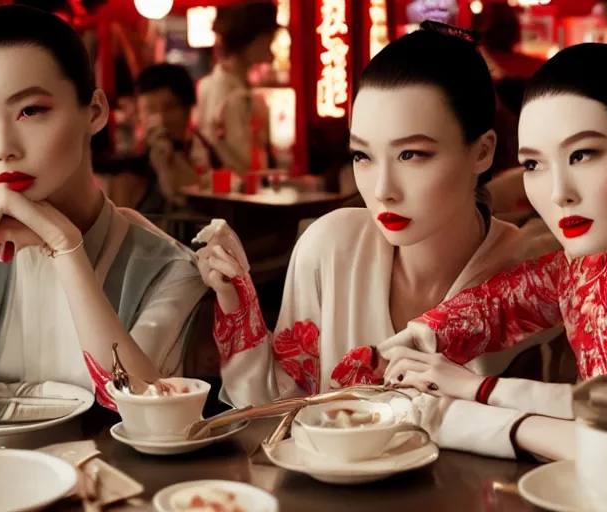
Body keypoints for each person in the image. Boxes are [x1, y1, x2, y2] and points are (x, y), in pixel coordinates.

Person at [195, 22, 564, 455]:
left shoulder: (532, 276)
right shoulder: (330, 247)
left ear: (482, 151)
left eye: (411, 154)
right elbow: (281, 411)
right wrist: (236, 303)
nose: (383, 187)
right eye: (363, 155)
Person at [379, 43, 607, 461]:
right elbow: (500, 304)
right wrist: (418, 338)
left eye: (582, 154)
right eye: (534, 164)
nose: (558, 194)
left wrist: (479, 392)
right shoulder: (581, 271)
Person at [0, 6, 207, 409]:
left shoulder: (167, 267)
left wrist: (67, 248)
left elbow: (142, 407)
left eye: (30, 110)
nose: (1, 150)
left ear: (95, 112)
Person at [193, 1, 278, 172]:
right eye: (268, 40)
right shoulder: (237, 96)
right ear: (251, 39)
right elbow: (243, 161)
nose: (271, 49)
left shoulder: (209, 84)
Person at [130, 63, 218, 214]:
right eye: (150, 109)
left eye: (170, 108)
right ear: (139, 114)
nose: (161, 119)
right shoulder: (132, 169)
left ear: (188, 110)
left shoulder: (206, 153)